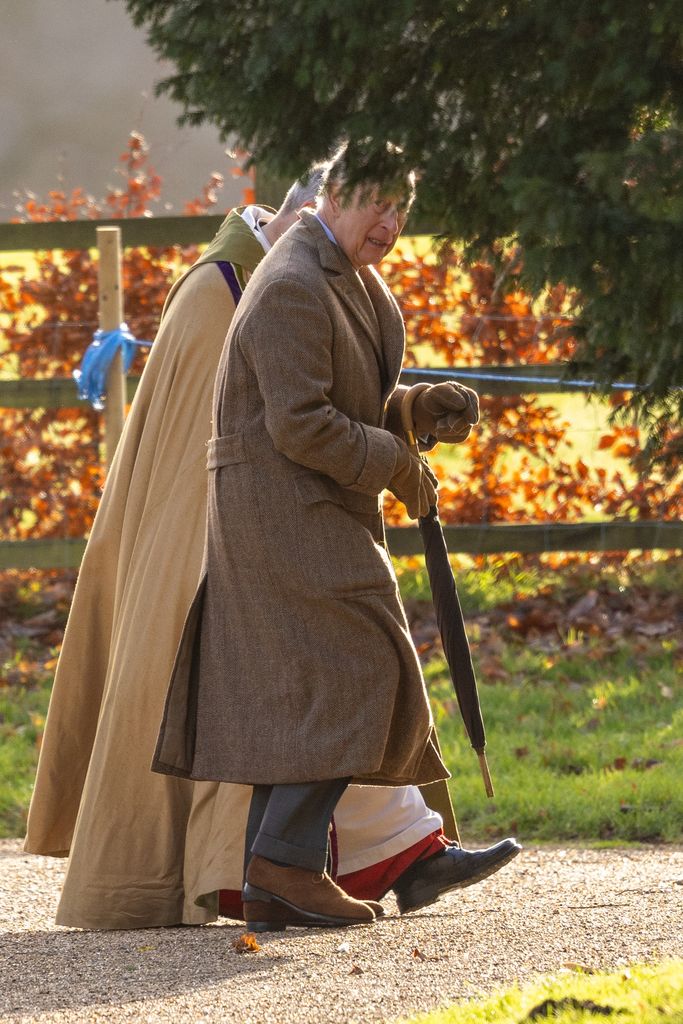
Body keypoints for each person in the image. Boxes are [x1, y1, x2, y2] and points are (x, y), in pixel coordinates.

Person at [24, 166, 518, 930]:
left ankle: (387, 856)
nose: (386, 226)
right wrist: (391, 462)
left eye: (398, 210)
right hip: (249, 535)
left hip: (305, 517)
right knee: (346, 675)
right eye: (373, 206)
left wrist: (411, 409)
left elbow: (323, 393)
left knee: (319, 692)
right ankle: (287, 867)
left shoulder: (316, 273)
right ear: (315, 208)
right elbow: (280, 427)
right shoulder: (236, 290)